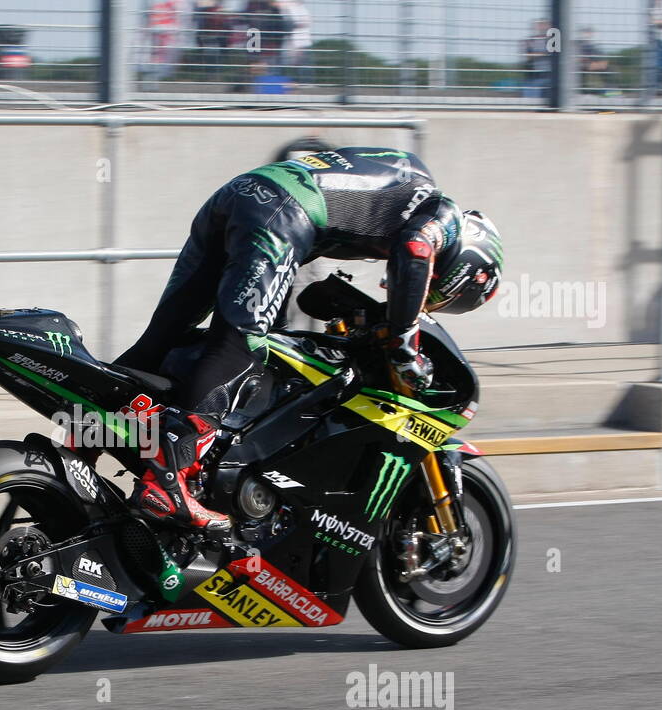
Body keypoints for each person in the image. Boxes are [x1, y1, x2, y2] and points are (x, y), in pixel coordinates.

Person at [115, 147, 503, 530]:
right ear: (470, 266)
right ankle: (169, 482)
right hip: (281, 213)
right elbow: (416, 250)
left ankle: (88, 432)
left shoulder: (399, 190)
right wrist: (405, 345)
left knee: (164, 337)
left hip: (240, 196)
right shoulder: (443, 212)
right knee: (239, 347)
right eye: (441, 294)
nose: (430, 300)